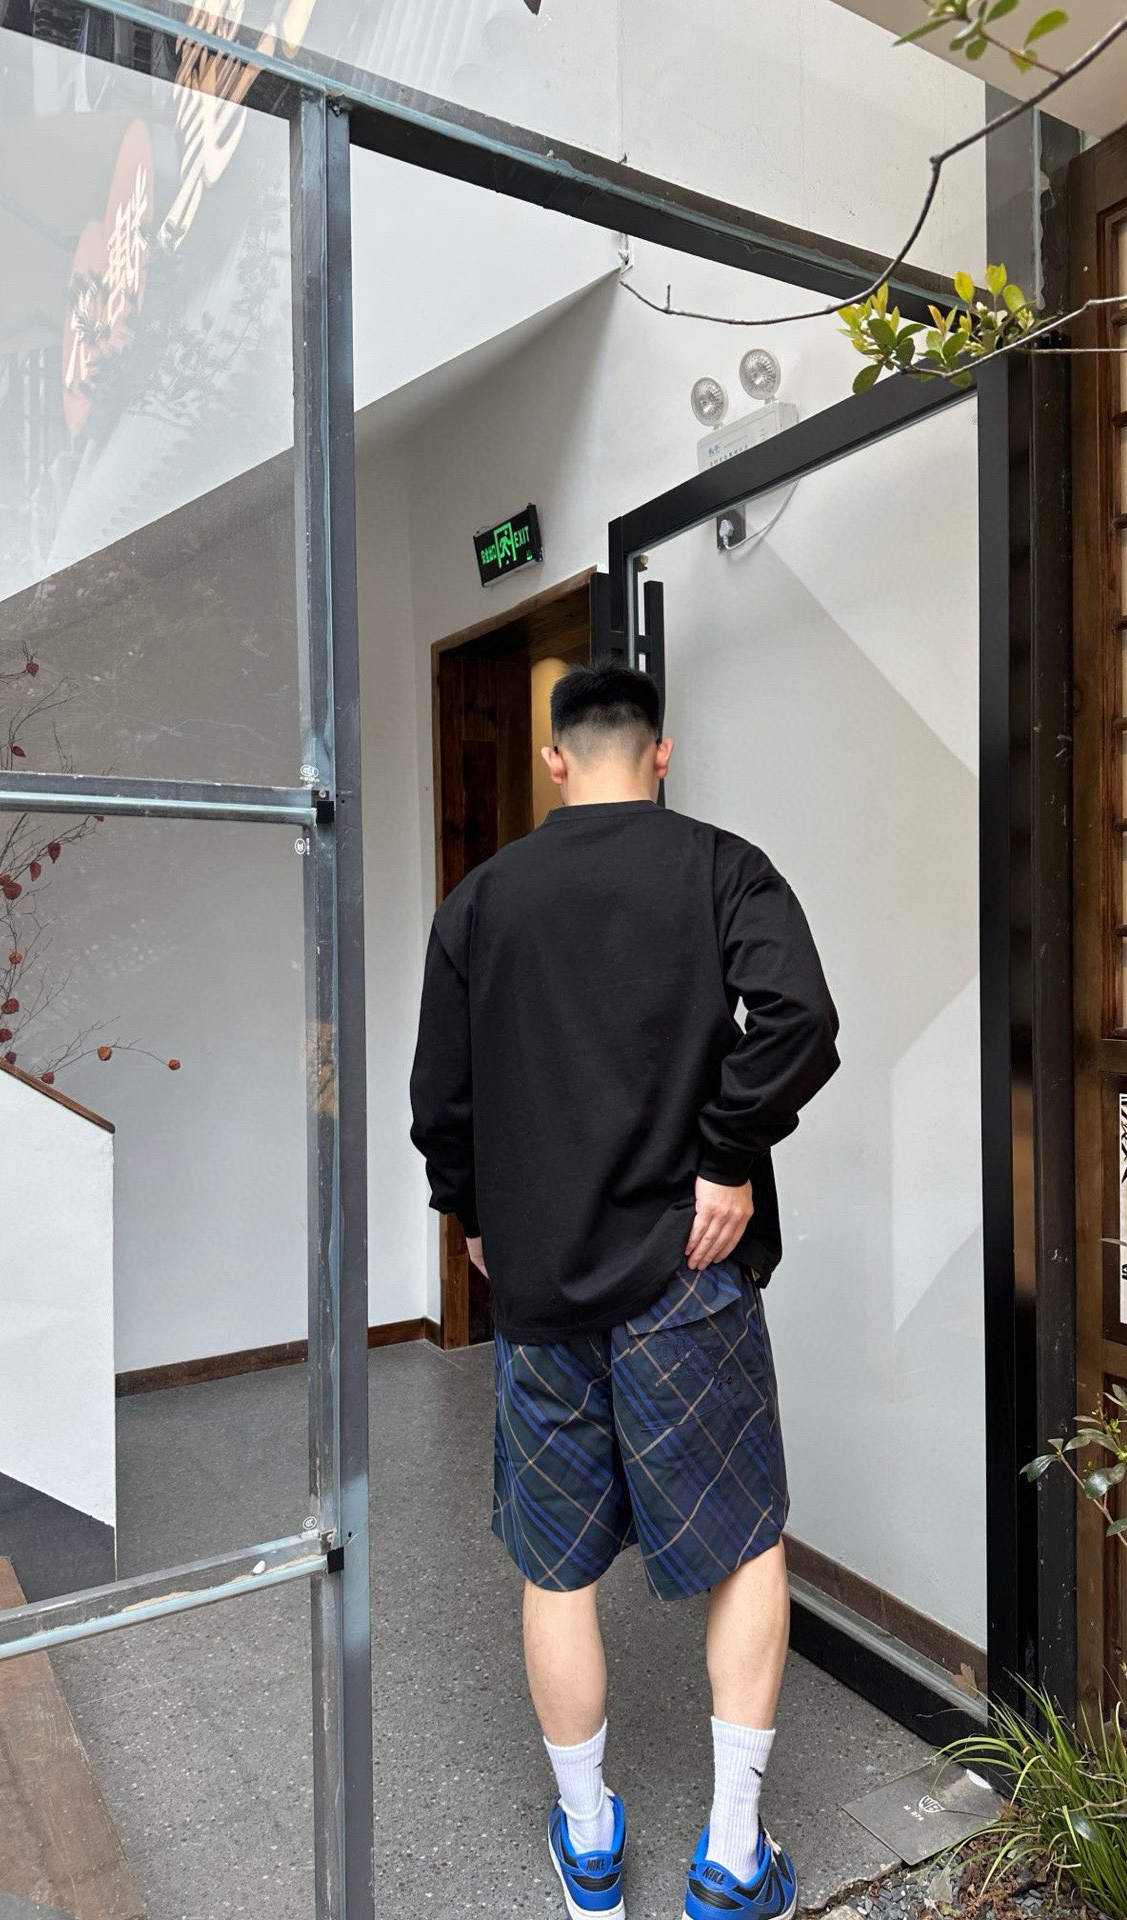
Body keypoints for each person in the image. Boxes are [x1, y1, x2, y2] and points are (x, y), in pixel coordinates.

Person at [409, 662, 839, 1920]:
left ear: (556, 761)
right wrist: (725, 1154)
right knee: (744, 1545)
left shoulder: (480, 902)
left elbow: (442, 1101)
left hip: (541, 1287)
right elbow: (801, 1020)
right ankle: (733, 1859)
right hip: (688, 1278)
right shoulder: (721, 868)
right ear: (661, 753)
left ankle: (590, 1844)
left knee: (556, 1567)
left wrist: (475, 1218)